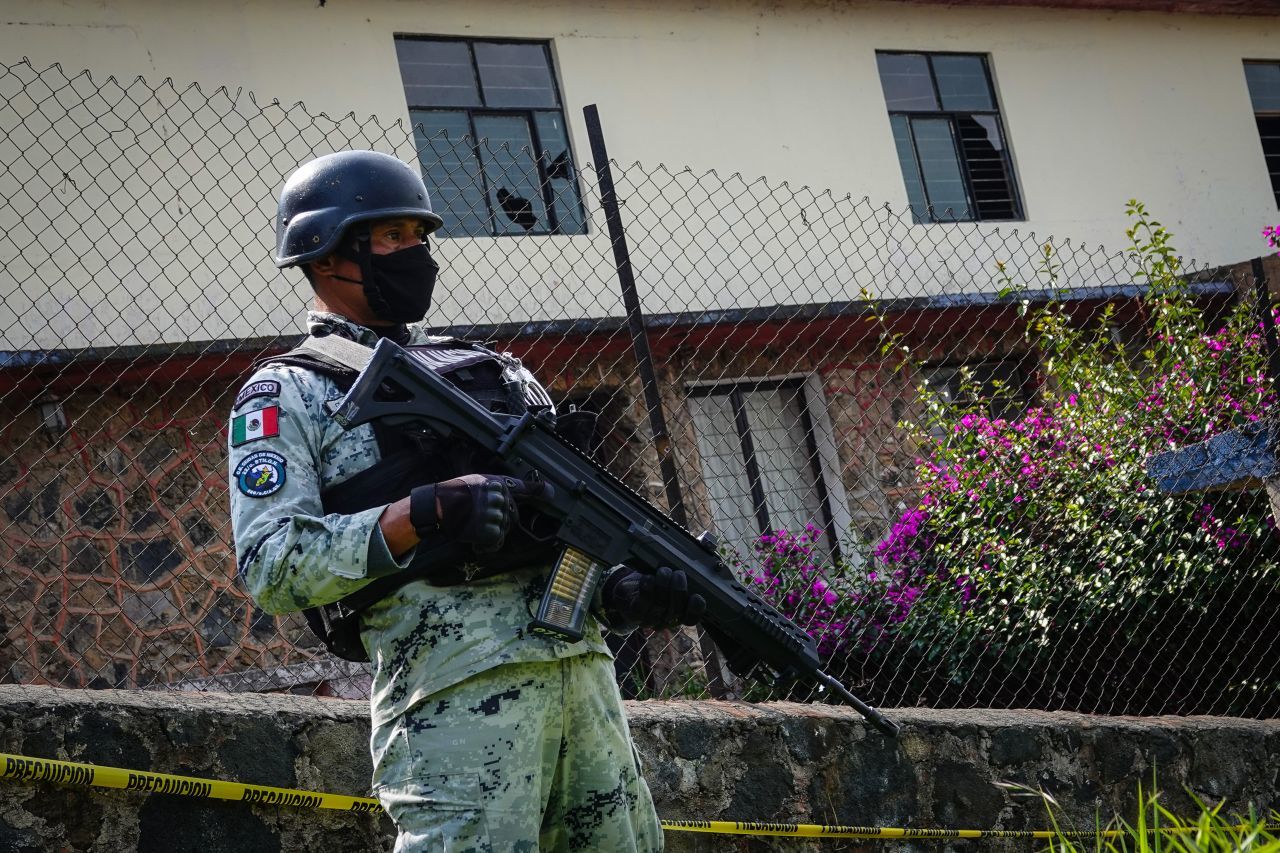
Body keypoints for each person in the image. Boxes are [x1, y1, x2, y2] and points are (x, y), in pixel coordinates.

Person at [228, 150, 705, 852]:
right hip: (453, 706)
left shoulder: (500, 373)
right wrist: (422, 512)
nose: (414, 253)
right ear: (326, 253)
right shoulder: (288, 393)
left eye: (419, 237)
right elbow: (273, 565)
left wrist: (627, 590)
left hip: (586, 691)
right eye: (390, 237)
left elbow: (561, 536)